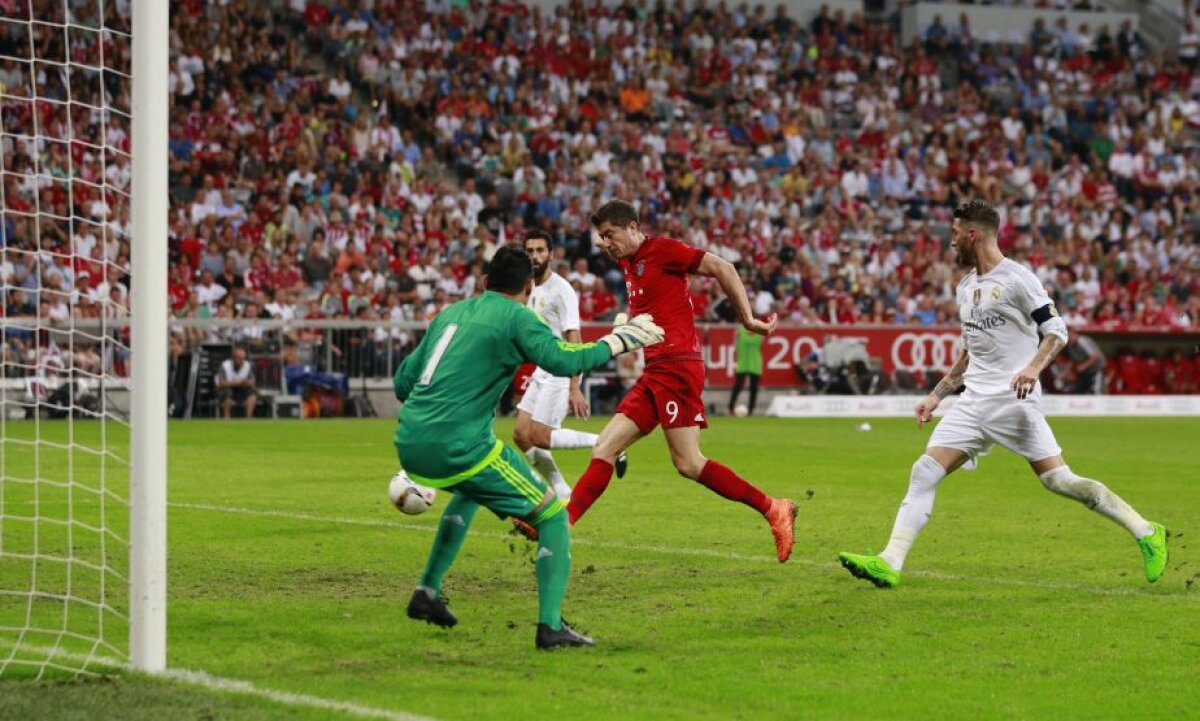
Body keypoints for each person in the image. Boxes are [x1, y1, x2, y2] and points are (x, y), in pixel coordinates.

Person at [838, 200, 1168, 588]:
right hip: (972, 402)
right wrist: (937, 395)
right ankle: (890, 561)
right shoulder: (965, 286)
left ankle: (1147, 531)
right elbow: (970, 350)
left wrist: (1032, 368)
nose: (951, 243)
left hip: (1012, 401)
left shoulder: (1018, 279)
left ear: (972, 235)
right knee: (924, 471)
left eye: (955, 234)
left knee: (1059, 480)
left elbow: (1057, 331)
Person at [394, 244, 664, 650]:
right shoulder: (518, 316)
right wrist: (619, 341)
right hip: (459, 445)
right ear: (527, 287)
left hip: (409, 439)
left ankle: (427, 592)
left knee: (470, 492)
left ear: (484, 282)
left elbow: (402, 383)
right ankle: (550, 627)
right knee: (553, 517)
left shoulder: (449, 313)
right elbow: (563, 360)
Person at [515, 200, 799, 563]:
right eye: (602, 237)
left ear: (633, 227)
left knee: (689, 463)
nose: (605, 243)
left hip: (678, 367)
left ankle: (774, 508)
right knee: (604, 447)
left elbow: (722, 267)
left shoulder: (663, 250)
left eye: (610, 235)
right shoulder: (629, 262)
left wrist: (747, 319)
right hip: (656, 370)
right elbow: (652, 306)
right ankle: (559, 524)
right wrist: (627, 327)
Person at [512, 230, 628, 501]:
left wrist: (575, 387)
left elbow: (574, 339)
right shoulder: (528, 287)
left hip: (562, 370)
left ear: (551, 254)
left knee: (540, 436)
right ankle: (562, 491)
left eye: (540, 250)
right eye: (530, 251)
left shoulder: (561, 290)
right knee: (521, 434)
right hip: (543, 368)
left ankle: (609, 444)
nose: (535, 256)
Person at [728, 317, 764, 415]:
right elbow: (735, 347)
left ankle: (751, 410)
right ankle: (731, 407)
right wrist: (734, 361)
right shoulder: (739, 331)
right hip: (742, 361)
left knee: (754, 388)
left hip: (755, 362)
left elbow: (761, 346)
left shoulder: (759, 333)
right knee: (738, 386)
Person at [216, 346, 258, 419]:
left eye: (243, 359)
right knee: (227, 392)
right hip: (227, 389)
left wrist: (246, 382)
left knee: (253, 392)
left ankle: (249, 417)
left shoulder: (247, 365)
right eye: (239, 358)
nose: (241, 361)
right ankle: (227, 417)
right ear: (234, 358)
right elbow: (221, 383)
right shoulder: (225, 365)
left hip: (241, 389)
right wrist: (236, 383)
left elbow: (252, 381)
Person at [1064, 326, 1105, 394]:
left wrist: (1083, 366)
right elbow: (1072, 360)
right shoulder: (1070, 345)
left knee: (1096, 390)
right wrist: (1066, 372)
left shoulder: (1082, 341)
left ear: (1075, 334)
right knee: (1080, 390)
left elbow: (1095, 356)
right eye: (1066, 337)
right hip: (1087, 371)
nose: (1068, 339)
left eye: (1070, 336)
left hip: (1097, 369)